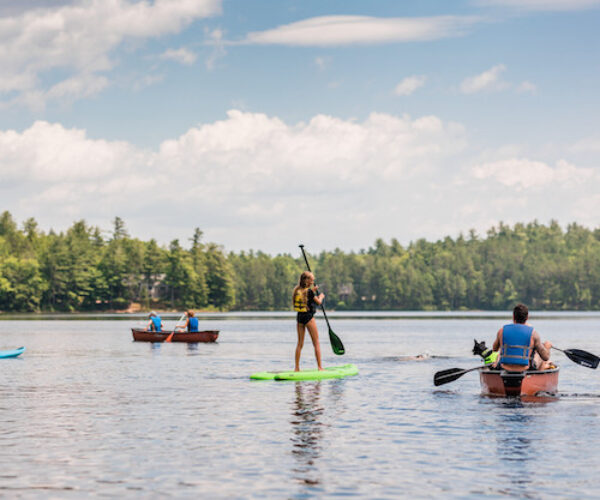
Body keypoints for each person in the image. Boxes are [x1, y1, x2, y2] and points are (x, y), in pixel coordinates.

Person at [492, 303, 552, 371]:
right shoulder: (533, 333)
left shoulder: (501, 331)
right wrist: (547, 347)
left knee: (500, 352)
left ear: (513, 317)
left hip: (504, 367)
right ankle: (539, 376)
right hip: (525, 369)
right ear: (527, 318)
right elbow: (545, 357)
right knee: (541, 354)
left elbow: (494, 349)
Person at [292, 271, 325, 372]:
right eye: (311, 279)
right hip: (308, 317)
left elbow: (307, 296)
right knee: (316, 343)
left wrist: (313, 291)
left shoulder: (297, 290)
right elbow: (318, 302)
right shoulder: (309, 292)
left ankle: (297, 368)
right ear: (306, 280)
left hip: (300, 318)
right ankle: (320, 367)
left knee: (299, 344)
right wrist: (321, 296)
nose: (313, 281)